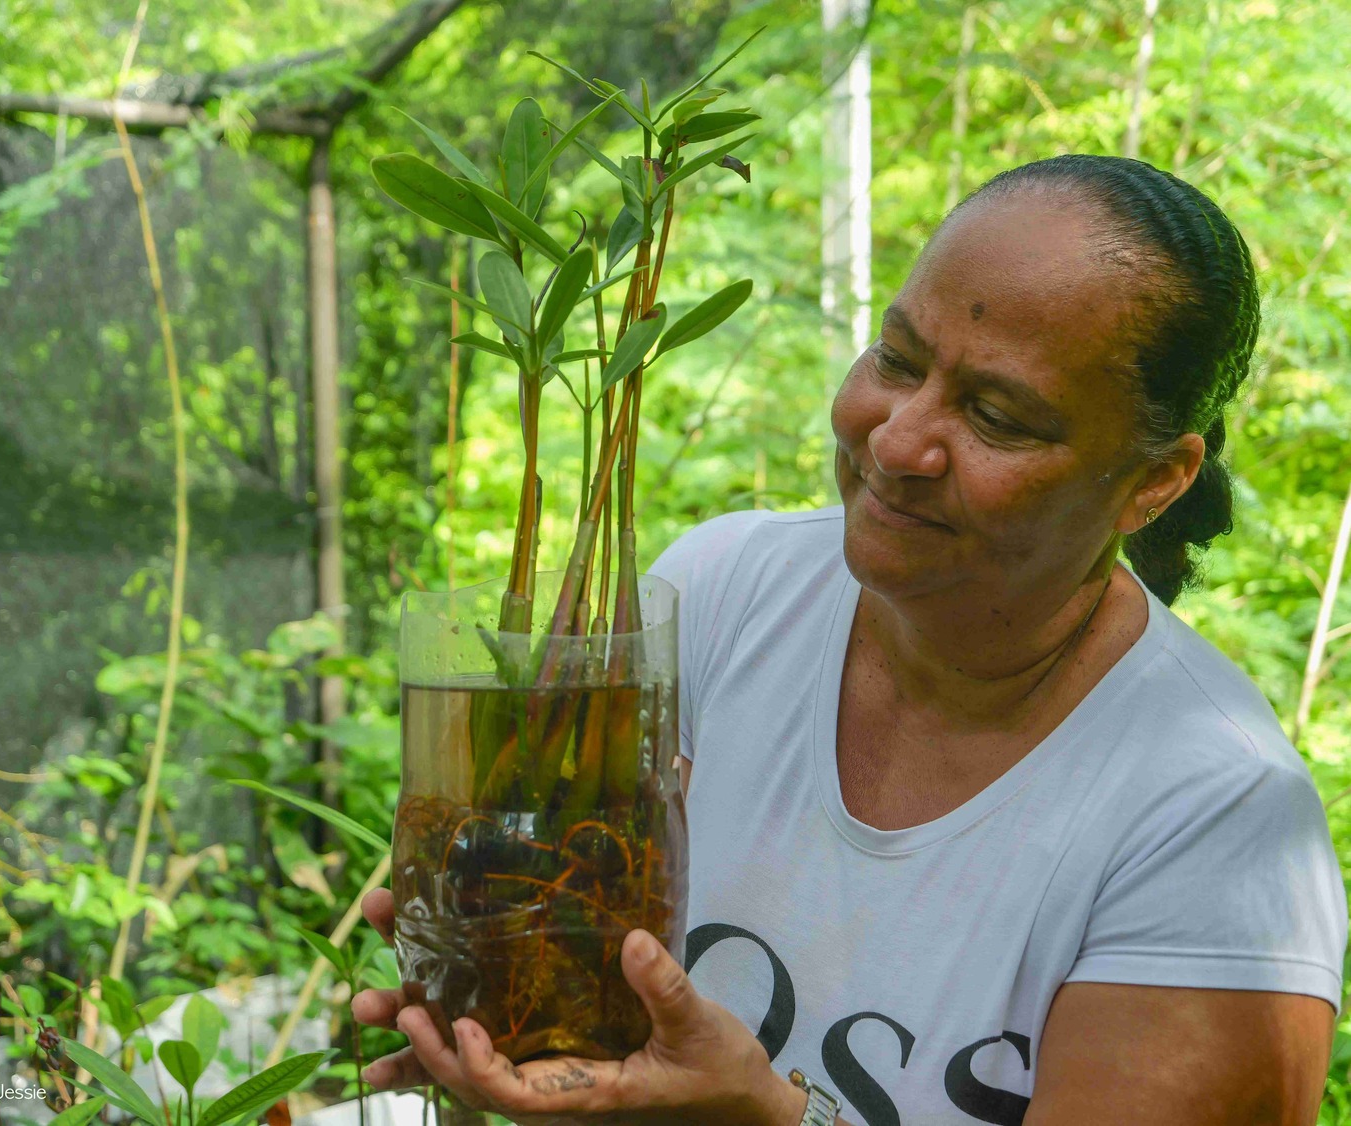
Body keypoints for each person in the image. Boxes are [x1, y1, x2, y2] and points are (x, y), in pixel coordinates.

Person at [351, 154, 1349, 1124]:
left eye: (998, 417)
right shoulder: (725, 595)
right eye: (897, 360)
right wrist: (502, 991)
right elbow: (569, 949)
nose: (896, 441)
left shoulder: (1218, 822)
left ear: (1152, 482)